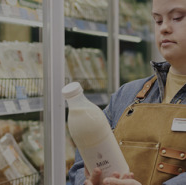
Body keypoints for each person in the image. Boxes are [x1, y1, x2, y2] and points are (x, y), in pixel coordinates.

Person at [69, 0, 186, 184]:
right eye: (157, 20)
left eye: (177, 17)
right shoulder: (127, 94)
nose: (164, 28)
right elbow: (82, 162)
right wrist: (88, 181)